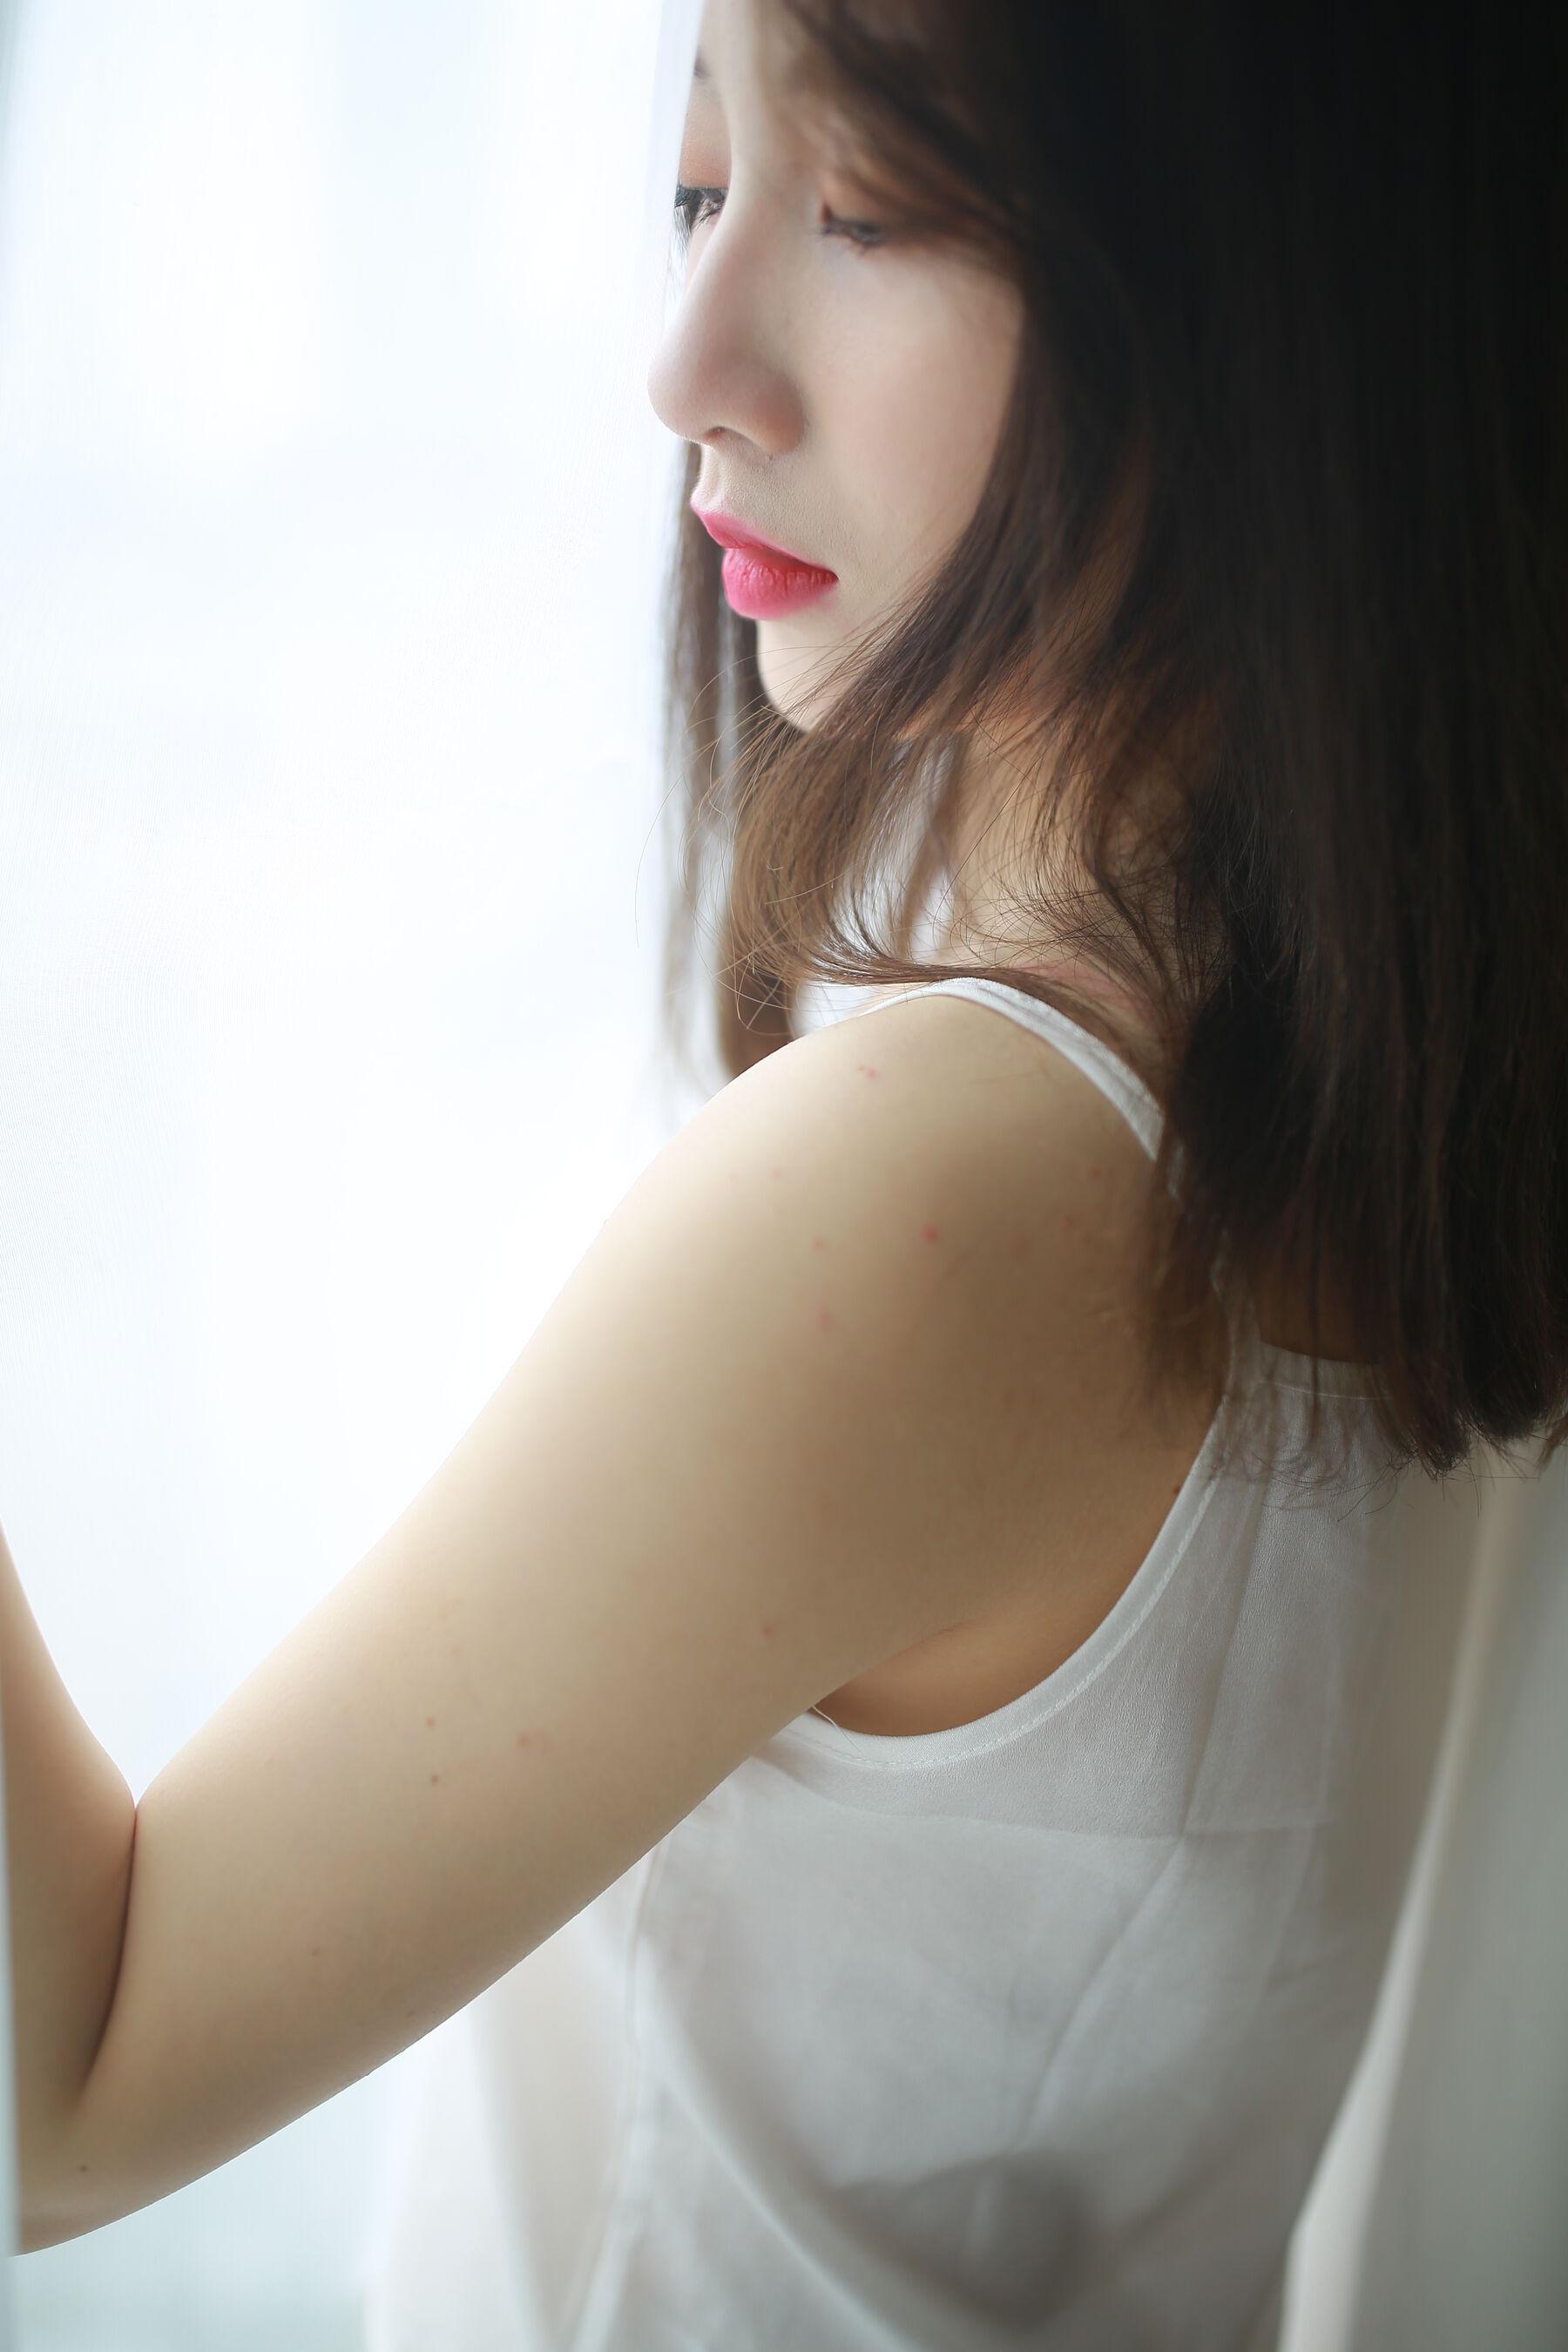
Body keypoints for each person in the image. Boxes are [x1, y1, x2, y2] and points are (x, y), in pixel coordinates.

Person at [6, 2, 1563, 2345]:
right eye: (699, 186)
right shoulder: (1404, 1028)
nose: (684, 364)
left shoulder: (951, 1196)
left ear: (1268, 285)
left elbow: (63, 2086)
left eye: (867, 213)